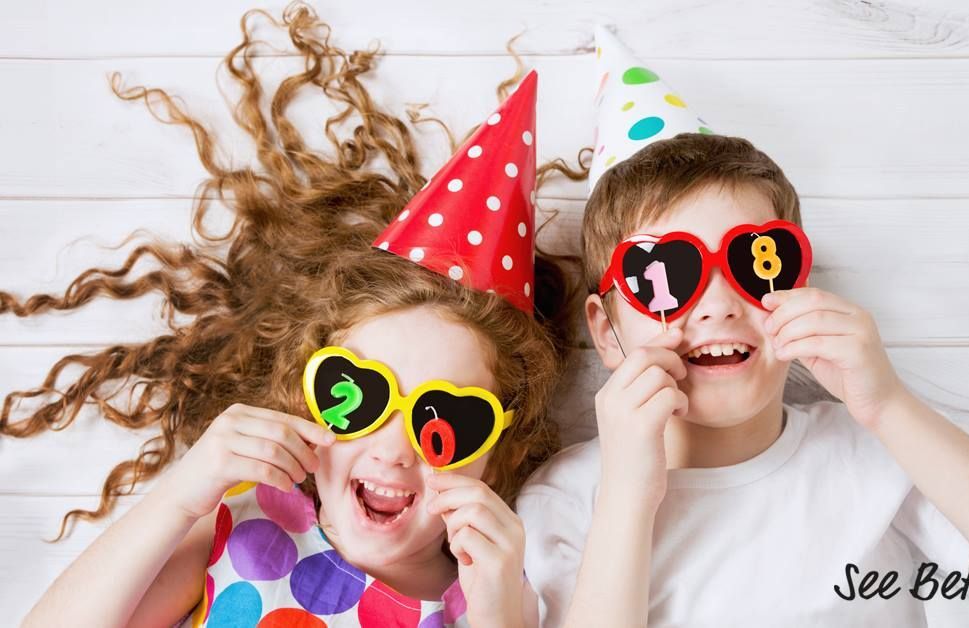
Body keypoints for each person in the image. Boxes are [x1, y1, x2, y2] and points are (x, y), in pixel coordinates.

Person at [516, 27, 969, 627]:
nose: (719, 305)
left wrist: (887, 406)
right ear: (606, 330)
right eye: (666, 275)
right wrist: (627, 494)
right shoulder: (569, 498)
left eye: (755, 262)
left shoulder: (870, 457)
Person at [6, 6, 574, 626]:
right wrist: (178, 497)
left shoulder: (498, 597)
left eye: (445, 422)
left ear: (498, 453)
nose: (393, 450)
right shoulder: (242, 528)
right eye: (359, 396)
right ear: (310, 405)